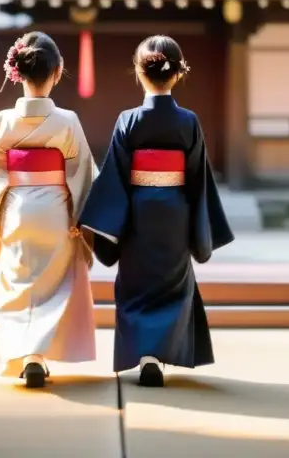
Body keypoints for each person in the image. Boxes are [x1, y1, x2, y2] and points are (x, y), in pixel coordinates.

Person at [79, 35, 234, 387]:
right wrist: (200, 226)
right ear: (178, 74)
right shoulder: (189, 121)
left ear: (138, 72)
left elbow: (115, 175)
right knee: (173, 285)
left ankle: (144, 354)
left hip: (136, 213)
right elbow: (198, 178)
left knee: (135, 285)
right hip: (176, 213)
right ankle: (160, 353)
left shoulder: (127, 120)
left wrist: (101, 223)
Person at [0, 31, 98, 388]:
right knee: (55, 284)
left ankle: (26, 355)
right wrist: (79, 219)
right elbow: (83, 173)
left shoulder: (2, 121)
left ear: (18, 73)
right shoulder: (68, 121)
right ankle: (39, 353)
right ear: (57, 73)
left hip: (16, 208)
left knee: (17, 282)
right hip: (55, 211)